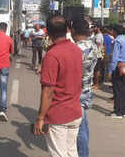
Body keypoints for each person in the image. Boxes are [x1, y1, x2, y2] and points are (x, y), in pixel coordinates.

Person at [33, 15, 82, 157]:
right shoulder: (76, 50)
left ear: (47, 32)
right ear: (67, 30)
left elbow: (48, 91)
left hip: (58, 114)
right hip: (75, 112)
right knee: (71, 152)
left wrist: (40, 118)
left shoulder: (52, 55)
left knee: (60, 154)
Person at [71, 20, 98, 157]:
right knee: (84, 126)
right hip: (87, 89)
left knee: (80, 130)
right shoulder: (93, 45)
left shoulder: (76, 49)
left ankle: (82, 154)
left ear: (74, 31)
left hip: (77, 92)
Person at [108, 25, 125, 119]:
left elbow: (114, 57)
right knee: (123, 89)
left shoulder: (117, 41)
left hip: (118, 66)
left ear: (115, 32)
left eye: (112, 30)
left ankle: (118, 112)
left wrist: (110, 70)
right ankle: (123, 110)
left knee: (117, 90)